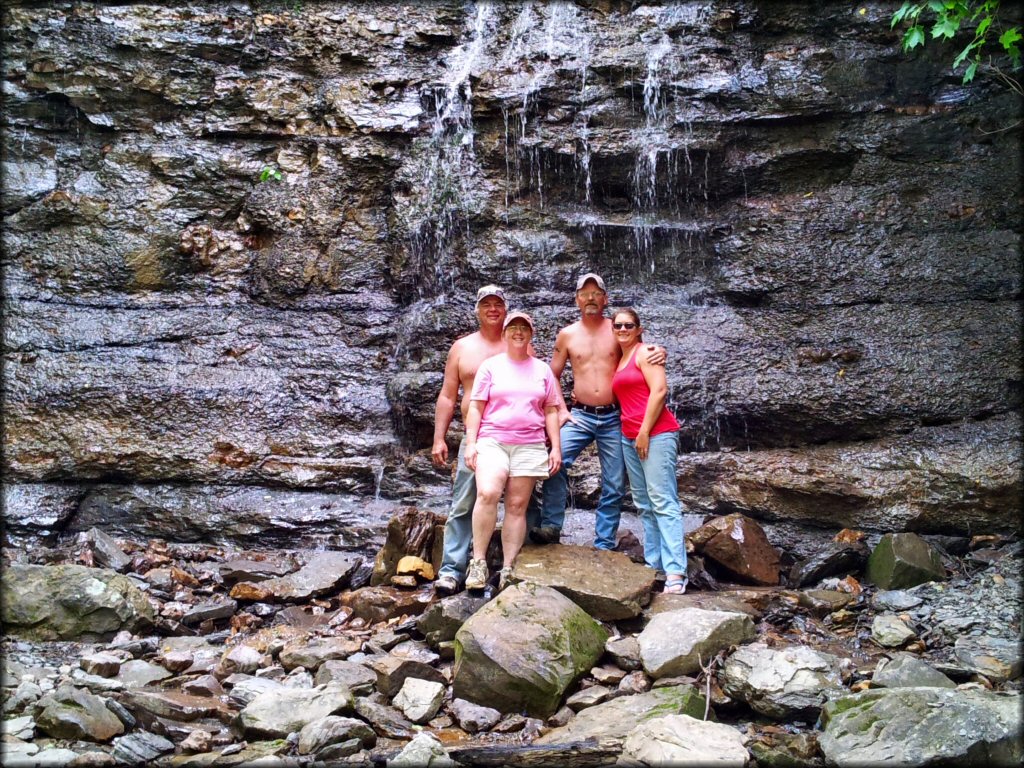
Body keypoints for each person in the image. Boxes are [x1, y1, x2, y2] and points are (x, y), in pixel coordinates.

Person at [532, 273, 665, 550]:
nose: (590, 298)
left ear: (605, 299)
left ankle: (604, 542)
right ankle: (551, 526)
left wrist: (660, 351)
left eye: (596, 294)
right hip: (578, 415)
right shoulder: (567, 334)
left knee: (615, 481)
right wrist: (561, 409)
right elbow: (550, 375)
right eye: (585, 293)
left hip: (614, 416)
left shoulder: (617, 330)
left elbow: (640, 352)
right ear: (577, 299)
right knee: (554, 464)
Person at [431, 285, 544, 595]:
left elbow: (540, 389)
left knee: (524, 504)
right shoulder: (462, 348)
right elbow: (447, 395)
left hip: (520, 439)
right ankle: (453, 569)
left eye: (498, 305)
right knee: (466, 501)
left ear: (506, 311)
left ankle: (516, 567)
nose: (493, 309)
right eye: (486, 305)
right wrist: (439, 437)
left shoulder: (522, 346)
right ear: (478, 310)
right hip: (478, 438)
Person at [463, 311, 562, 591]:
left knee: (517, 507)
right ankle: (479, 563)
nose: (518, 332)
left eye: (524, 328)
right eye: (513, 328)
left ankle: (508, 567)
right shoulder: (490, 367)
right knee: (488, 493)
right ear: (505, 334)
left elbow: (551, 410)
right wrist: (471, 443)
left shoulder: (542, 370)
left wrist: (555, 447)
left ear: (530, 334)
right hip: (493, 440)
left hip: (530, 444)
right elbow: (476, 406)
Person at [611, 307, 687, 593]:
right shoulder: (621, 357)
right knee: (644, 503)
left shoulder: (646, 352)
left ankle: (676, 572)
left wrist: (643, 432)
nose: (622, 330)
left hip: (655, 434)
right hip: (629, 436)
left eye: (628, 325)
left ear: (639, 329)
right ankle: (654, 565)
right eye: (617, 325)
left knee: (663, 502)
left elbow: (660, 391)